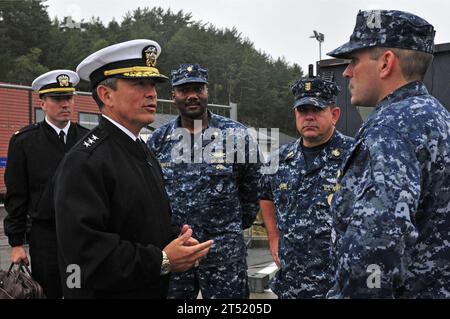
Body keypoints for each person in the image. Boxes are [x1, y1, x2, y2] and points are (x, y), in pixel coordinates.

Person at [53, 40, 213, 299]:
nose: (151, 93)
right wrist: (162, 259)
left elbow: (141, 221)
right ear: (106, 95)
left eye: (152, 84)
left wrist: (177, 239)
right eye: (139, 84)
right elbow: (86, 256)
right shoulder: (85, 161)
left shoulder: (141, 148)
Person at [326, 10, 450, 298]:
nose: (346, 72)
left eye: (354, 60)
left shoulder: (389, 128)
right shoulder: (439, 118)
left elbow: (376, 244)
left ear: (385, 63)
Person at [148, 63, 261, 299]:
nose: (192, 96)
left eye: (198, 89)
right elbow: (152, 192)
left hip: (224, 255)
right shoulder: (159, 140)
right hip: (177, 252)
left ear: (207, 92)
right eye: (184, 90)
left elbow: (252, 189)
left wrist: (228, 229)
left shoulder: (236, 135)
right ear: (173, 95)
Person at [259, 77, 353, 298]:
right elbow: (265, 194)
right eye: (303, 110)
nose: (309, 116)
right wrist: (273, 236)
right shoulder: (279, 159)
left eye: (317, 109)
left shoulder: (355, 155)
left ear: (335, 114)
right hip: (292, 281)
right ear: (295, 115)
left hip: (338, 282)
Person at [3, 70, 89, 298]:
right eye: (57, 99)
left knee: (77, 288)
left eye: (68, 98)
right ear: (43, 103)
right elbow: (16, 196)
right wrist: (16, 243)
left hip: (81, 235)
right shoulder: (25, 141)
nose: (65, 104)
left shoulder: (88, 140)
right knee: (48, 291)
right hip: (46, 237)